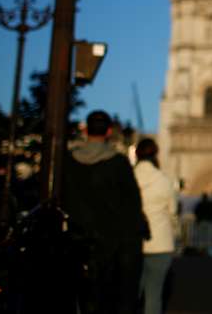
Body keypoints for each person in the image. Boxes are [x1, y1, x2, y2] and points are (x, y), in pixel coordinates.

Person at [62, 110, 148, 314]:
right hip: (111, 242)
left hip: (77, 239)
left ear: (85, 130)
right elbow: (133, 203)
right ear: (109, 131)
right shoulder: (118, 163)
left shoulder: (69, 162)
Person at [134, 138, 177, 314]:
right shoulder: (164, 180)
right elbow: (173, 210)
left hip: (134, 243)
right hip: (160, 243)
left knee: (131, 294)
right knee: (154, 294)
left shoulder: (129, 177)